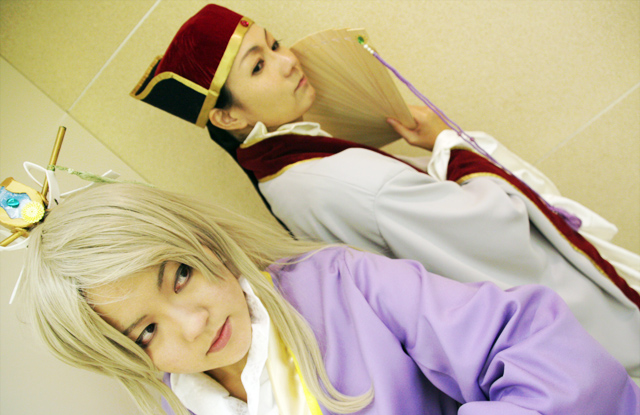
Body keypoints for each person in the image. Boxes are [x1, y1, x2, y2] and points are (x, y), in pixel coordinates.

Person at [131, 4, 640, 377]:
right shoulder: (332, 180)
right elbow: (498, 232)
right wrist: (448, 145)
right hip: (566, 332)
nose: (288, 62)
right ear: (228, 117)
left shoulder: (284, 179)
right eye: (258, 66)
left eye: (275, 44)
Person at [17, 182, 640, 415]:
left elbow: (543, 357)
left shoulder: (342, 286)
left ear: (205, 245)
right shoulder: (181, 410)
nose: (193, 323)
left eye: (179, 276)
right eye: (146, 332)